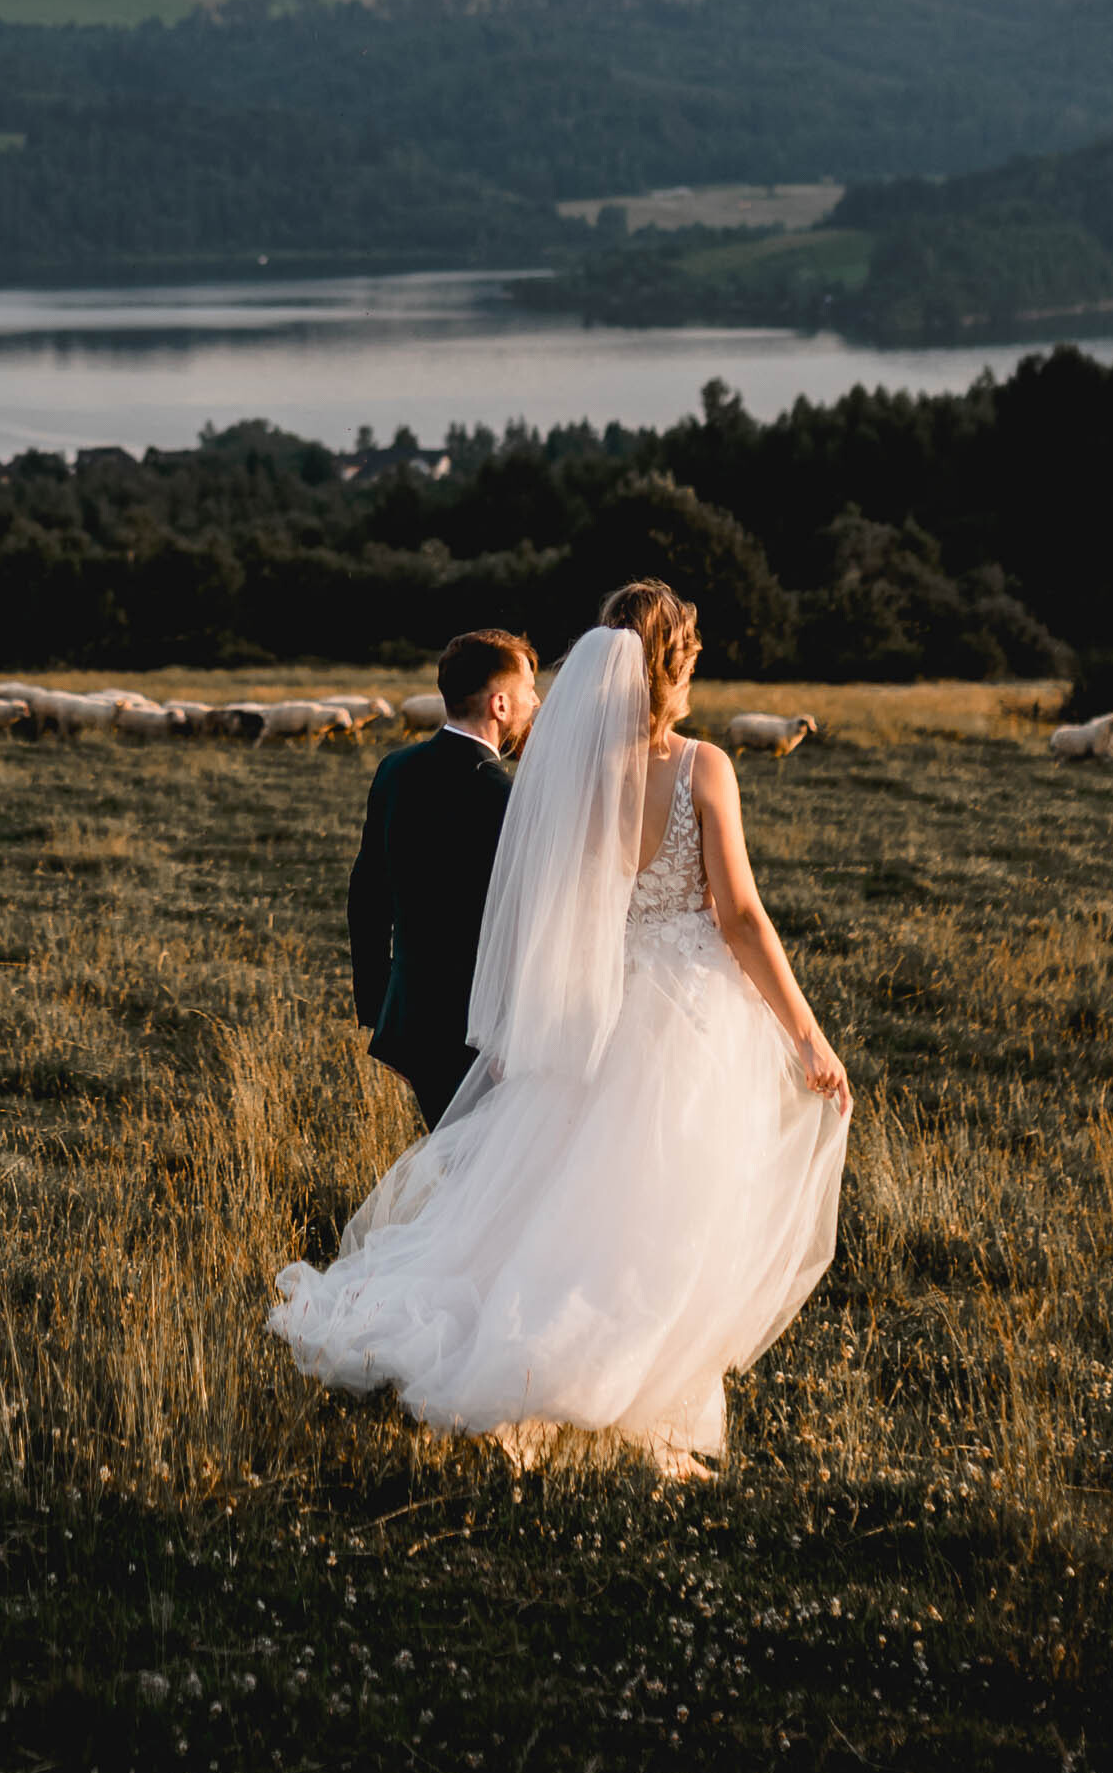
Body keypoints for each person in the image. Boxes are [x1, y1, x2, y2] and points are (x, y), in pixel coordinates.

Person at [267, 579, 855, 1474]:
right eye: (692, 661)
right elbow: (740, 914)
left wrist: (523, 1021)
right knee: (670, 1212)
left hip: (598, 1008)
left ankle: (552, 1370)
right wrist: (809, 1033)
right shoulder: (704, 766)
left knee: (564, 1198)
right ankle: (625, 1394)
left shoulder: (572, 772)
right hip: (689, 1014)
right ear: (673, 667)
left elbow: (547, 909)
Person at [344, 629, 541, 1126]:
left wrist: (381, 1012)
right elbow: (517, 928)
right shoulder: (505, 799)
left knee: (456, 1161)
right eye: (529, 690)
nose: (536, 702)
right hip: (482, 1036)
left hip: (411, 1023)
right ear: (500, 704)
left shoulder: (395, 769)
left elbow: (367, 897)